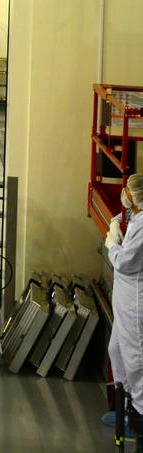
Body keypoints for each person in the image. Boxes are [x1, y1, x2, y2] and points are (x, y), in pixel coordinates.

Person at [103, 173, 143, 433]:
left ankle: (140, 418)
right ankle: (127, 407)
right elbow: (124, 218)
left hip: (134, 305)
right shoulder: (136, 217)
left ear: (135, 196)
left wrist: (112, 245)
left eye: (127, 192)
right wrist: (116, 223)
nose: (124, 196)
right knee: (116, 351)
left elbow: (126, 262)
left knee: (136, 359)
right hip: (123, 301)